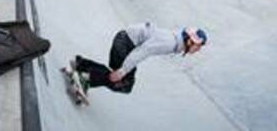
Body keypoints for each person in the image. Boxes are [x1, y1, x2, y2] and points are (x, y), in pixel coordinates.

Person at [70, 23, 207, 95]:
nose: (198, 50)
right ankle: (84, 79)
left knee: (123, 76)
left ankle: (82, 65)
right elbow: (144, 50)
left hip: (125, 40)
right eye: (198, 46)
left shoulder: (176, 40)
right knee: (125, 83)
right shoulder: (170, 42)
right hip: (125, 43)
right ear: (189, 41)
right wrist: (123, 71)